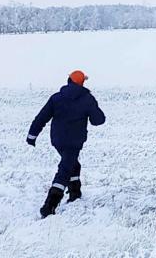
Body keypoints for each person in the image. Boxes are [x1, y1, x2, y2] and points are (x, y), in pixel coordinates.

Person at [27, 70, 106, 218]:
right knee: (64, 170)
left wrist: (32, 136)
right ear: (82, 83)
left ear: (69, 80)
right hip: (74, 142)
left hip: (58, 140)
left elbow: (41, 117)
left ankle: (75, 193)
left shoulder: (56, 98)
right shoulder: (87, 99)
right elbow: (99, 120)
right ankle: (49, 205)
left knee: (73, 165)